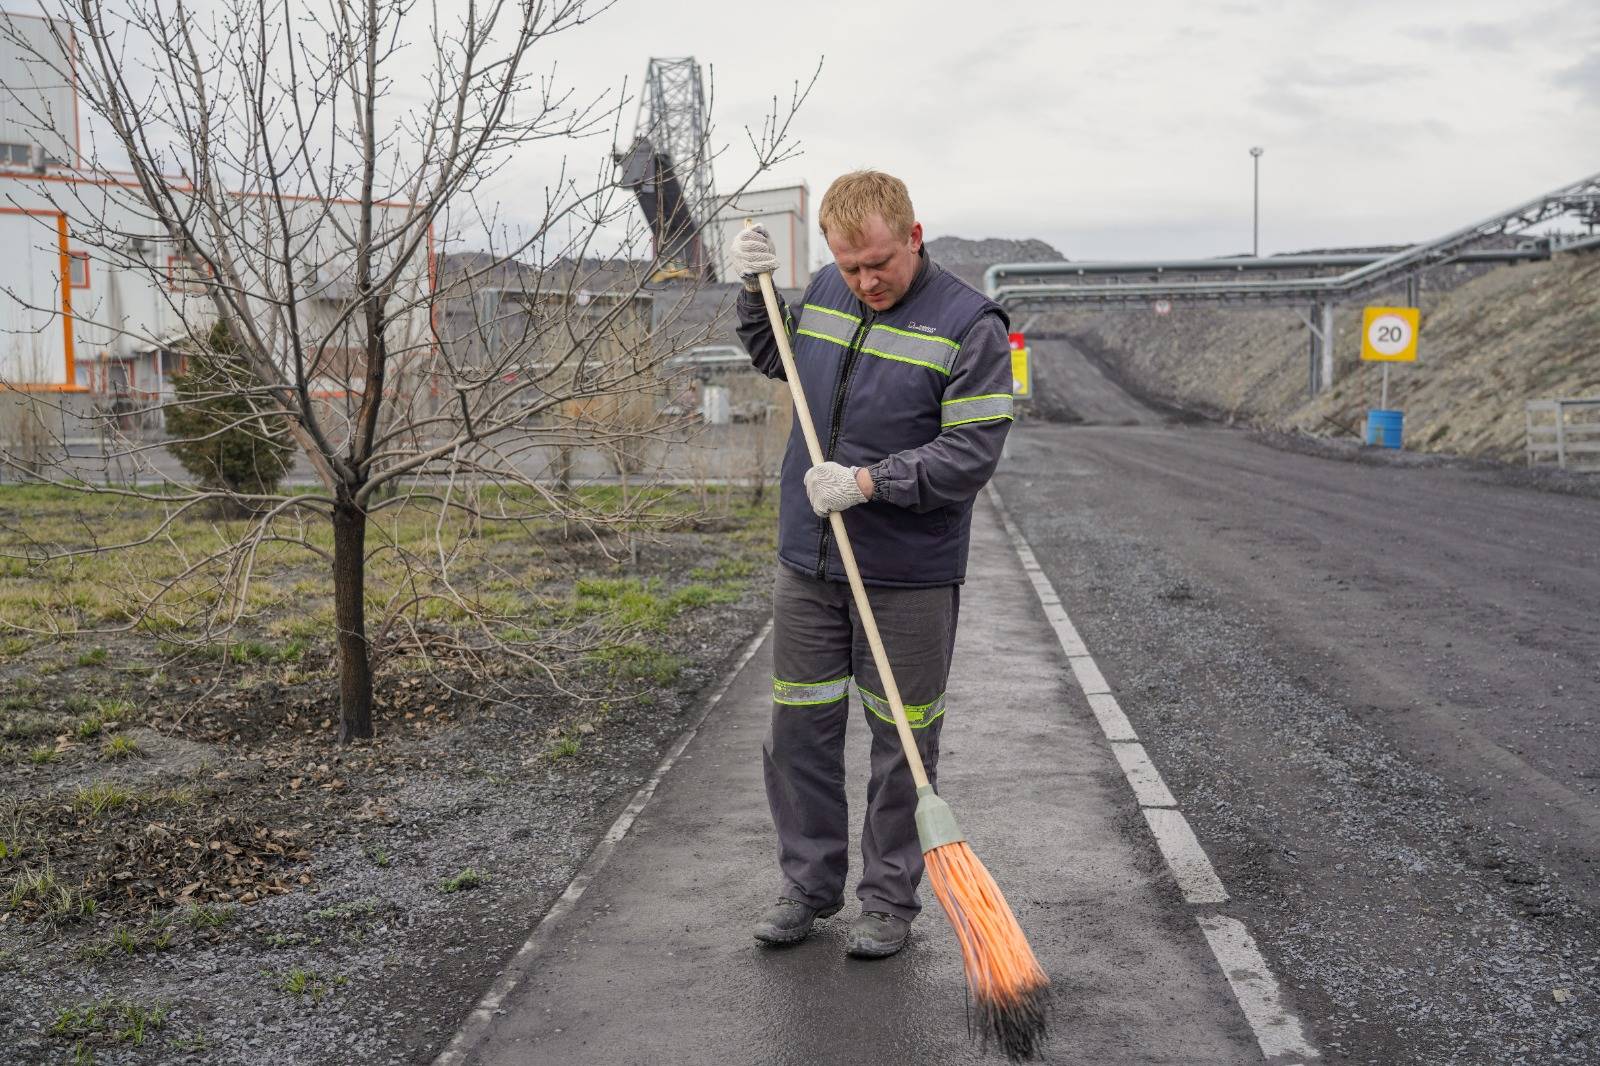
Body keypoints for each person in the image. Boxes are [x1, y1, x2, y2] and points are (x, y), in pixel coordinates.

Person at [729, 170, 1015, 958]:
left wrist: (867, 483)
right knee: (801, 727)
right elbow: (776, 357)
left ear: (914, 237)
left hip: (908, 572)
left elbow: (971, 453)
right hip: (808, 562)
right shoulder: (825, 289)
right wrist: (756, 295)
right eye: (850, 267)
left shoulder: (970, 325)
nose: (865, 282)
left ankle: (888, 901)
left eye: (879, 264)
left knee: (903, 739)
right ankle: (808, 887)